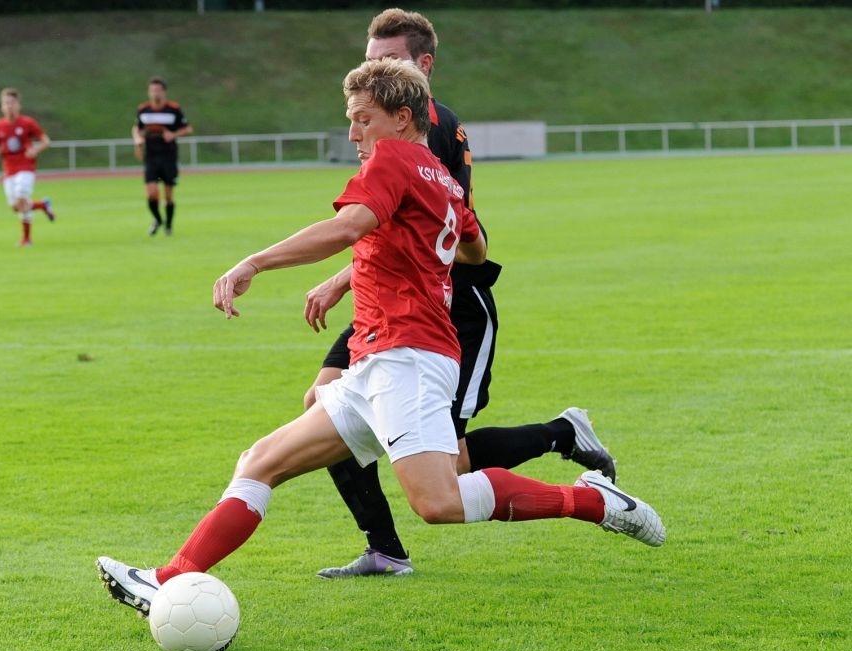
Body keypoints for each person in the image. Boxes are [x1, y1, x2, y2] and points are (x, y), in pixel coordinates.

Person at [97, 58, 665, 619]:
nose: (353, 133)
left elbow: (348, 226)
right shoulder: (443, 179)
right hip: (378, 358)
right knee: (260, 461)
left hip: (407, 357)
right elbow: (475, 249)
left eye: (362, 119)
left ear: (401, 118)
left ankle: (593, 501)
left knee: (438, 501)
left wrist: (255, 262)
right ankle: (166, 579)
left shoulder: (392, 158)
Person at [305, 8, 615, 579]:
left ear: (423, 66)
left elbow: (428, 223)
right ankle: (385, 549)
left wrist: (336, 277)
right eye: (370, 59)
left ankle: (560, 434)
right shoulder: (394, 124)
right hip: (393, 301)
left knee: (447, 464)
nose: (376, 70)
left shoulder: (426, 125)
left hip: (449, 304)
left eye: (389, 60)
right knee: (320, 404)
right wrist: (347, 278)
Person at [0, 87, 55, 247]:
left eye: (12, 102)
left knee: (21, 200)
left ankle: (27, 239)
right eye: (6, 103)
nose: (9, 106)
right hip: (9, 169)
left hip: (26, 168)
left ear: (19, 105)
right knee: (16, 207)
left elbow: (46, 141)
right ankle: (43, 205)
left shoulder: (27, 123)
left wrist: (35, 150)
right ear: (1, 107)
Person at [132, 76, 194, 236]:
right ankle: (158, 219)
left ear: (164, 91)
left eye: (158, 90)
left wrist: (173, 134)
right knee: (151, 193)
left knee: (168, 195)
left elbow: (188, 129)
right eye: (152, 90)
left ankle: (169, 225)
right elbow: (137, 128)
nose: (155, 93)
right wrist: (137, 140)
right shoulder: (143, 109)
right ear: (148, 92)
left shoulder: (173, 109)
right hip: (151, 156)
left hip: (168, 156)